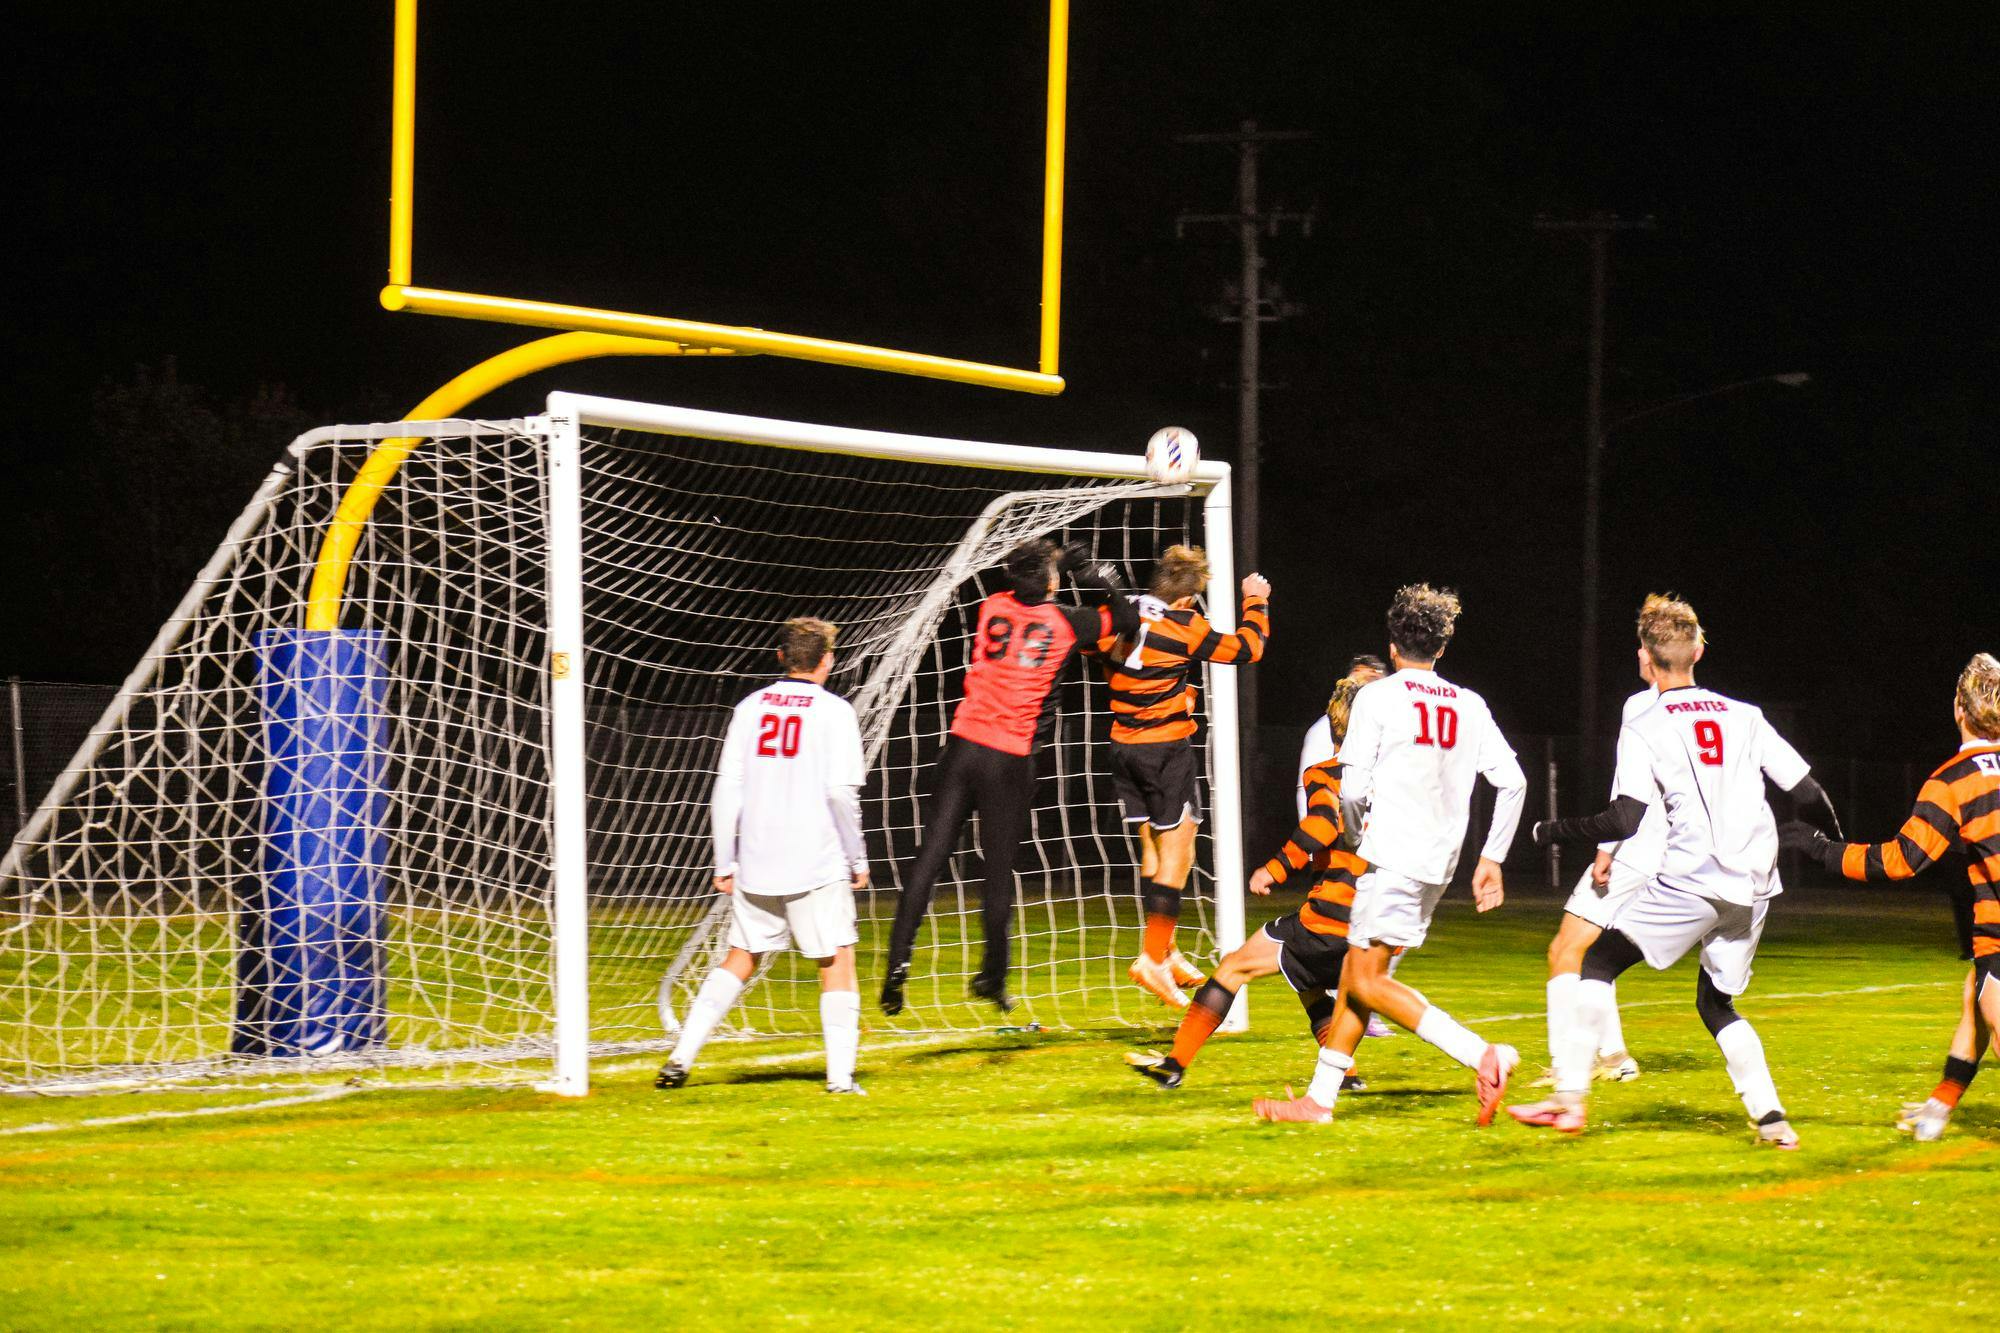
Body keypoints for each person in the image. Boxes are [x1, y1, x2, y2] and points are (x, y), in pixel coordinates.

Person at [1518, 595, 1840, 1147]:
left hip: (1693, 878)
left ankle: (1569, 1099)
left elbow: (1623, 816)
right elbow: (1809, 793)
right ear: (1700, 650)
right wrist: (1828, 849)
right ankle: (1772, 1119)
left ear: (1644, 658)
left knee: (1595, 961)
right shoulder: (1745, 716)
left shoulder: (1645, 723)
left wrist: (1550, 831)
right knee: (1716, 1003)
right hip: (1756, 886)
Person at [1254, 584, 1529, 1125]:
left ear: (1394, 645)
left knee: (1367, 981)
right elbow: (1513, 782)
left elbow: (1352, 791)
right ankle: (1319, 1101)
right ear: (1443, 648)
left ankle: (1483, 1056)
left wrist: (1355, 837)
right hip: (1438, 861)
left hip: (1392, 856)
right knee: (1359, 971)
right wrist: (1491, 858)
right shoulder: (1469, 704)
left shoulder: (1377, 697)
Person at [879, 539, 1138, 1015]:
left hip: (961, 748)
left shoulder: (992, 606)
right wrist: (1093, 576)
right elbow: (1125, 619)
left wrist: (1059, 572)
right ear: (1050, 581)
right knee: (997, 873)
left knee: (930, 858)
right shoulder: (1066, 623)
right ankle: (992, 977)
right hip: (1009, 758)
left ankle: (897, 966)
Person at [1780, 651, 2000, 1141]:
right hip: (1992, 942)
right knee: (1975, 1000)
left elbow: (1903, 860)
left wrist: (1823, 851)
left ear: (1958, 710)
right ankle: (1938, 1110)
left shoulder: (1953, 781)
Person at [656, 618, 871, 1094]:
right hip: (815, 859)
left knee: (740, 957)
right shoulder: (835, 712)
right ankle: (839, 1080)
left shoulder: (750, 707)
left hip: (757, 857)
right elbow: (840, 794)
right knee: (836, 961)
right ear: (827, 660)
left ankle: (679, 1059)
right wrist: (857, 857)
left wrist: (724, 859)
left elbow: (727, 788)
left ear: (781, 657)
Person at [1128, 673, 1371, 1089]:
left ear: (1334, 728)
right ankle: (1344, 1075)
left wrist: (1272, 868)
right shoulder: (1397, 779)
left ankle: (1174, 1065)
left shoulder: (1327, 773)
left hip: (1332, 917)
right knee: (1308, 982)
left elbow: (1322, 824)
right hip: (1380, 920)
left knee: (1232, 969)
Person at [1096, 544, 1271, 1008]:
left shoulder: (1119, 612)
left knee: (1154, 850)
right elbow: (1248, 649)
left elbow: (1095, 644)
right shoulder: (1186, 625)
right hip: (1163, 749)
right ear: (1188, 599)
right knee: (1180, 850)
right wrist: (1256, 600)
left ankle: (1166, 949)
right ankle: (1153, 957)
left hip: (1121, 745)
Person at [1529, 658, 1663, 1088]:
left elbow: (1627, 792)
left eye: (1642, 646)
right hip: (1677, 857)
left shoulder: (1639, 706)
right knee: (1594, 959)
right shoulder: (1711, 711)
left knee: (1564, 950)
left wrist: (1606, 847)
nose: (1638, 655)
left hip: (1637, 849)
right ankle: (1615, 1056)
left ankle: (1570, 1063)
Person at [1297, 653, 1394, 1036]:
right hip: (1338, 842)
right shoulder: (1325, 729)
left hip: (1372, 844)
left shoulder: (1382, 725)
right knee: (1341, 932)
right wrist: (1307, 844)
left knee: (1377, 929)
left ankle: (1362, 1001)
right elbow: (1315, 788)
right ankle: (1361, 1002)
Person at [1296, 654, 1388, 800]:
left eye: (1373, 678)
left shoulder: (1391, 725)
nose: (1365, 683)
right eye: (1360, 678)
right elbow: (1307, 793)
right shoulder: (1324, 729)